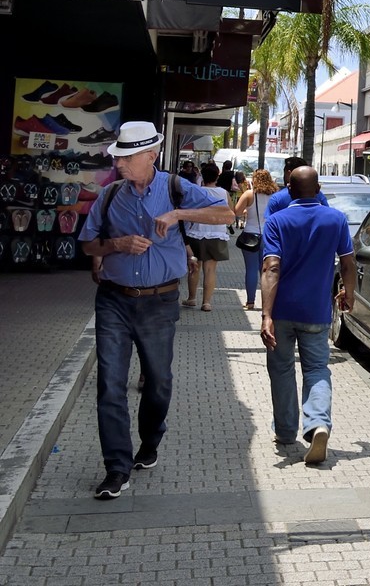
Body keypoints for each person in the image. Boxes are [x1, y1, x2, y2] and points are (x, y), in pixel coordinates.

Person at [75, 122, 234, 500]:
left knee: (158, 381)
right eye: (118, 157)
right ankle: (116, 467)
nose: (121, 164)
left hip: (160, 302)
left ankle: (150, 441)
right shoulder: (111, 194)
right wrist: (116, 244)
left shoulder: (176, 188)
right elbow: (87, 246)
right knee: (110, 384)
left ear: (151, 155)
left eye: (127, 158)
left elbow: (226, 214)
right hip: (114, 299)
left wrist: (179, 215)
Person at [260, 167, 356, 465]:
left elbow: (271, 268)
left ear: (289, 189)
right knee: (316, 369)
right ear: (318, 189)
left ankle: (287, 432)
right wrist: (348, 293)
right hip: (316, 311)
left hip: (282, 311)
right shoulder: (336, 219)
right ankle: (317, 424)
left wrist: (265, 314)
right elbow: (349, 263)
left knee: (282, 370)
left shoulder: (276, 221)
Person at [182, 162, 231, 311]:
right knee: (210, 269)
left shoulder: (196, 191)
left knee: (194, 267)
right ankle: (207, 302)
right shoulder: (224, 193)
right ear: (217, 176)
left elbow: (188, 209)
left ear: (202, 176)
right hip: (217, 233)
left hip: (196, 232)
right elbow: (231, 211)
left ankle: (191, 298)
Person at [233, 168, 275, 310]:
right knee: (266, 272)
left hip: (251, 234)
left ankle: (250, 302)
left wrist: (246, 211)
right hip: (269, 236)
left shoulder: (249, 195)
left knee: (250, 270)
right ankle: (267, 304)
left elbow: (236, 212)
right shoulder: (275, 196)